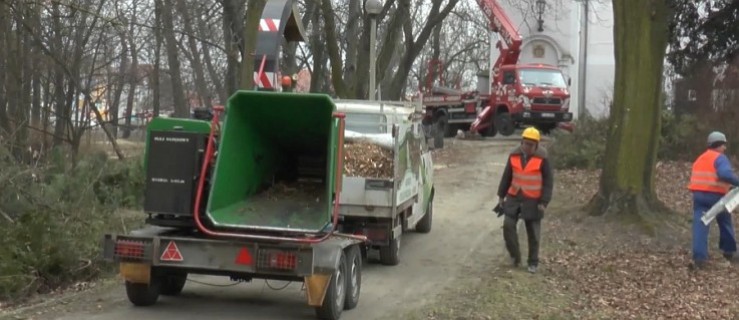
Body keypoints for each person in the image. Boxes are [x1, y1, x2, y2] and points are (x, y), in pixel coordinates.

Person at [496, 127, 553, 273]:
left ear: (537, 145)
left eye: (531, 145)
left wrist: (544, 202)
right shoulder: (514, 155)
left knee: (533, 233)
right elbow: (507, 176)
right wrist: (501, 196)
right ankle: (515, 256)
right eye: (525, 144)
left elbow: (548, 182)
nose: (527, 147)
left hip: (534, 200)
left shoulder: (543, 158)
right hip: (514, 197)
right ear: (522, 142)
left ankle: (533, 262)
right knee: (508, 226)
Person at [688, 131, 739, 269]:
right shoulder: (720, 158)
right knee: (725, 221)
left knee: (701, 224)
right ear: (719, 145)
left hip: (699, 196)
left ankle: (700, 258)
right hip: (716, 196)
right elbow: (724, 174)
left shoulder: (700, 158)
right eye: (724, 145)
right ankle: (730, 252)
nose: (725, 148)